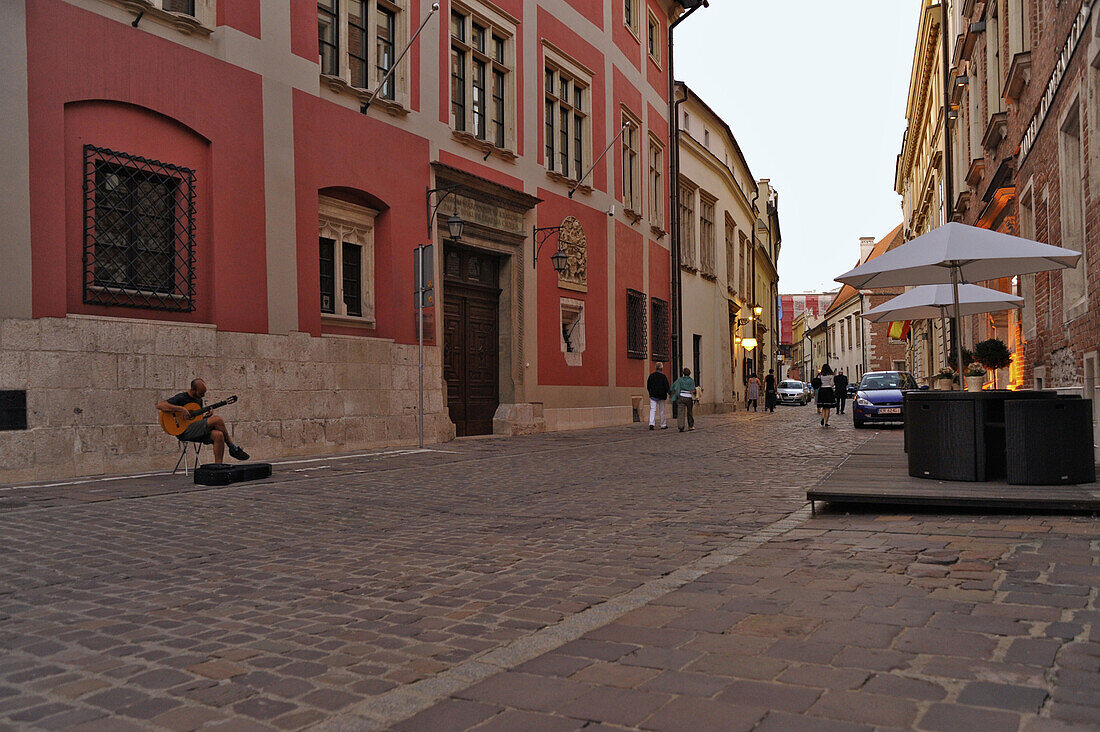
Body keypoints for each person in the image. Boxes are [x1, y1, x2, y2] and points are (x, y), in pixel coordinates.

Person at [157, 379, 249, 463]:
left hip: (194, 431)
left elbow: (196, 421)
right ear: (193, 390)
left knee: (219, 435)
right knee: (218, 419)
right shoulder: (182, 397)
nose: (203, 396)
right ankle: (232, 448)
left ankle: (218, 467)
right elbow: (160, 405)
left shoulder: (198, 400)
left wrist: (206, 417)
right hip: (183, 431)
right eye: (201, 393)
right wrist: (181, 409)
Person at [646, 362, 671, 430]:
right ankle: (663, 424)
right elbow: (666, 386)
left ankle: (651, 423)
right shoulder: (663, 376)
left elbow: (648, 385)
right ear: (661, 368)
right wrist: (669, 393)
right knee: (662, 410)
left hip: (653, 395)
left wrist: (650, 392)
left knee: (652, 409)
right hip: (661, 395)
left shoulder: (651, 376)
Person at [670, 368, 697, 432]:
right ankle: (690, 425)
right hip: (688, 397)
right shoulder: (691, 380)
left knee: (680, 412)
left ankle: (681, 426)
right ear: (689, 373)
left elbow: (673, 386)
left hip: (681, 397)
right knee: (689, 412)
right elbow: (693, 390)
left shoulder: (680, 380)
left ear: (683, 373)